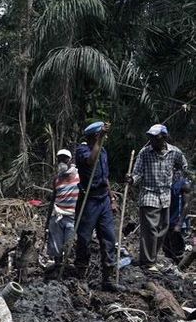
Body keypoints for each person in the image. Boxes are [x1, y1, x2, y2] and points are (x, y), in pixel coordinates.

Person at [128, 124, 189, 270]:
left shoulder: (174, 152)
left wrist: (178, 178)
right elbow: (137, 173)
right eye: (150, 138)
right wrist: (131, 179)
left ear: (164, 138)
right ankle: (149, 262)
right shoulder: (145, 153)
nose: (152, 141)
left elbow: (184, 166)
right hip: (149, 194)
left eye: (155, 138)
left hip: (165, 197)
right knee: (150, 229)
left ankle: (150, 259)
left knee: (162, 229)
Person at [74, 121, 118, 291]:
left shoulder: (104, 151)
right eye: (100, 135)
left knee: (109, 238)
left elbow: (105, 176)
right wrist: (99, 140)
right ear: (95, 136)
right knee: (84, 238)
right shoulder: (82, 151)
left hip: (103, 200)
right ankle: (80, 273)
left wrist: (112, 198)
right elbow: (91, 162)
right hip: (89, 200)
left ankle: (108, 277)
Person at [45, 149, 79, 266]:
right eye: (59, 159)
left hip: (72, 216)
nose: (61, 162)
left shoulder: (79, 176)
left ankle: (66, 269)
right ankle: (57, 267)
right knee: (56, 246)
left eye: (64, 159)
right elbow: (53, 200)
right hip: (57, 215)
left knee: (69, 245)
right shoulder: (57, 179)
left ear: (70, 160)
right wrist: (47, 222)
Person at [163, 168, 192, 261]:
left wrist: (179, 224)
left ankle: (180, 269)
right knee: (167, 249)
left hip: (177, 222)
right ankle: (171, 271)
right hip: (167, 221)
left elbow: (187, 204)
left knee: (178, 251)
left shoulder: (184, 184)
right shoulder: (166, 182)